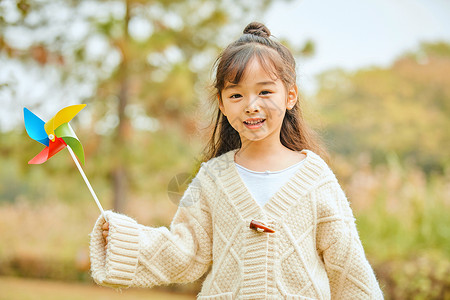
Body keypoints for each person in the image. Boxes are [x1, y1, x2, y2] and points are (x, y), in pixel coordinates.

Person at [89, 22, 384, 299]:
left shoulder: (316, 178)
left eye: (265, 91)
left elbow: (349, 269)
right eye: (236, 95)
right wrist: (125, 239)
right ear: (221, 103)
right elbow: (184, 252)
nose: (251, 106)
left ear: (290, 96)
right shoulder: (212, 177)